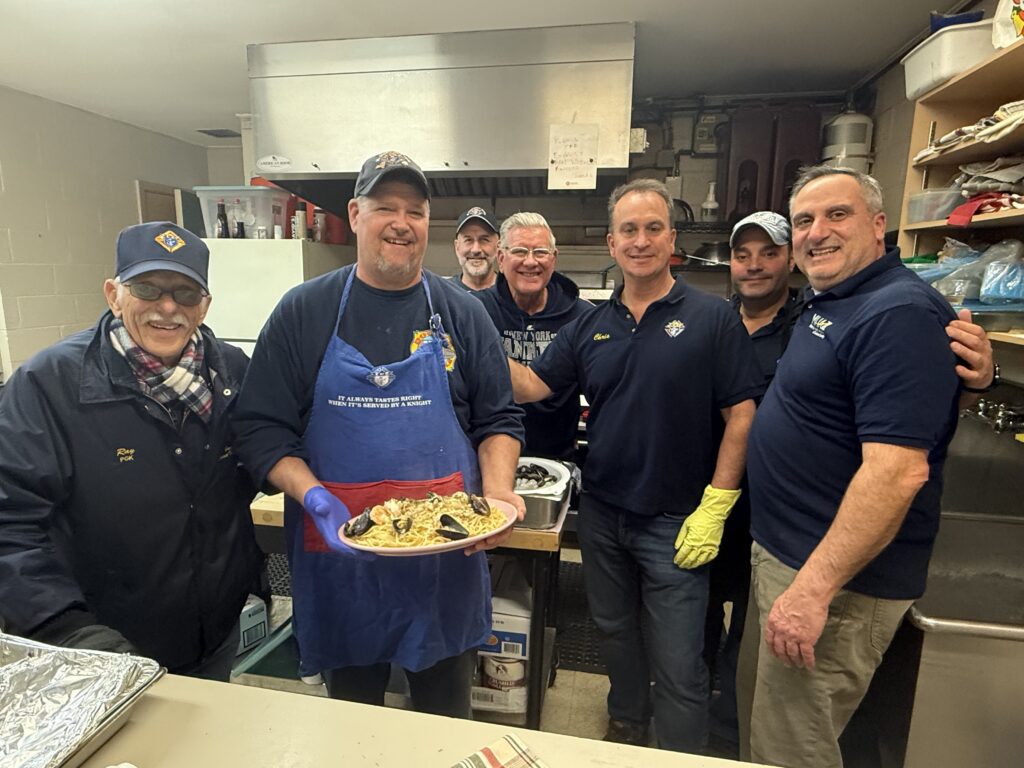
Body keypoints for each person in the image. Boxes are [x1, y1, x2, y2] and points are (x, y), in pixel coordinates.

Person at [231, 151, 525, 718]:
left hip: (445, 558)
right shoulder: (304, 311)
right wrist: (312, 496)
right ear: (356, 214)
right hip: (341, 558)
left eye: (414, 211)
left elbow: (499, 419)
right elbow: (261, 427)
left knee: (444, 722)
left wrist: (497, 492)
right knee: (354, 722)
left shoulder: (462, 313)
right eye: (385, 206)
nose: (400, 222)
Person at [715, 212, 996, 760]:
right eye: (805, 219)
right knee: (763, 721)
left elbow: (899, 469)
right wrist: (966, 389)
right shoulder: (830, 301)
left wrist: (813, 590)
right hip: (782, 551)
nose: (818, 230)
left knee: (792, 744)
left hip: (828, 577)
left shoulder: (899, 311)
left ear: (878, 225)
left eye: (836, 214)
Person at [508, 178, 762, 753]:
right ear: (611, 242)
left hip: (677, 520)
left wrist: (717, 505)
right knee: (615, 633)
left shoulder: (711, 318)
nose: (641, 240)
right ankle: (625, 719)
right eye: (629, 230)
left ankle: (679, 756)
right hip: (602, 512)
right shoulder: (590, 323)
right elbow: (530, 384)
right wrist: (467, 345)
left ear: (671, 239)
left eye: (653, 229)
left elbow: (742, 415)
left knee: (678, 660)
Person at [0, 222, 262, 680]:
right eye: (147, 288)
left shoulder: (231, 373)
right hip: (100, 645)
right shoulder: (49, 383)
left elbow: (254, 463)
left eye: (185, 293)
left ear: (204, 306)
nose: (167, 307)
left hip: (214, 631)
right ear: (113, 294)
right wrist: (66, 627)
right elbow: (10, 524)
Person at [476, 211, 592, 461]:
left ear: (554, 259)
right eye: (519, 251)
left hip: (559, 462)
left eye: (540, 252)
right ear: (500, 258)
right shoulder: (473, 313)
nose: (530, 262)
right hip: (485, 459)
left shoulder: (584, 318)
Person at [450, 206, 500, 292]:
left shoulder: (512, 292)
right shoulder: (443, 293)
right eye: (468, 240)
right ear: (457, 247)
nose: (475, 250)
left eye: (484, 240)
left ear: (498, 246)